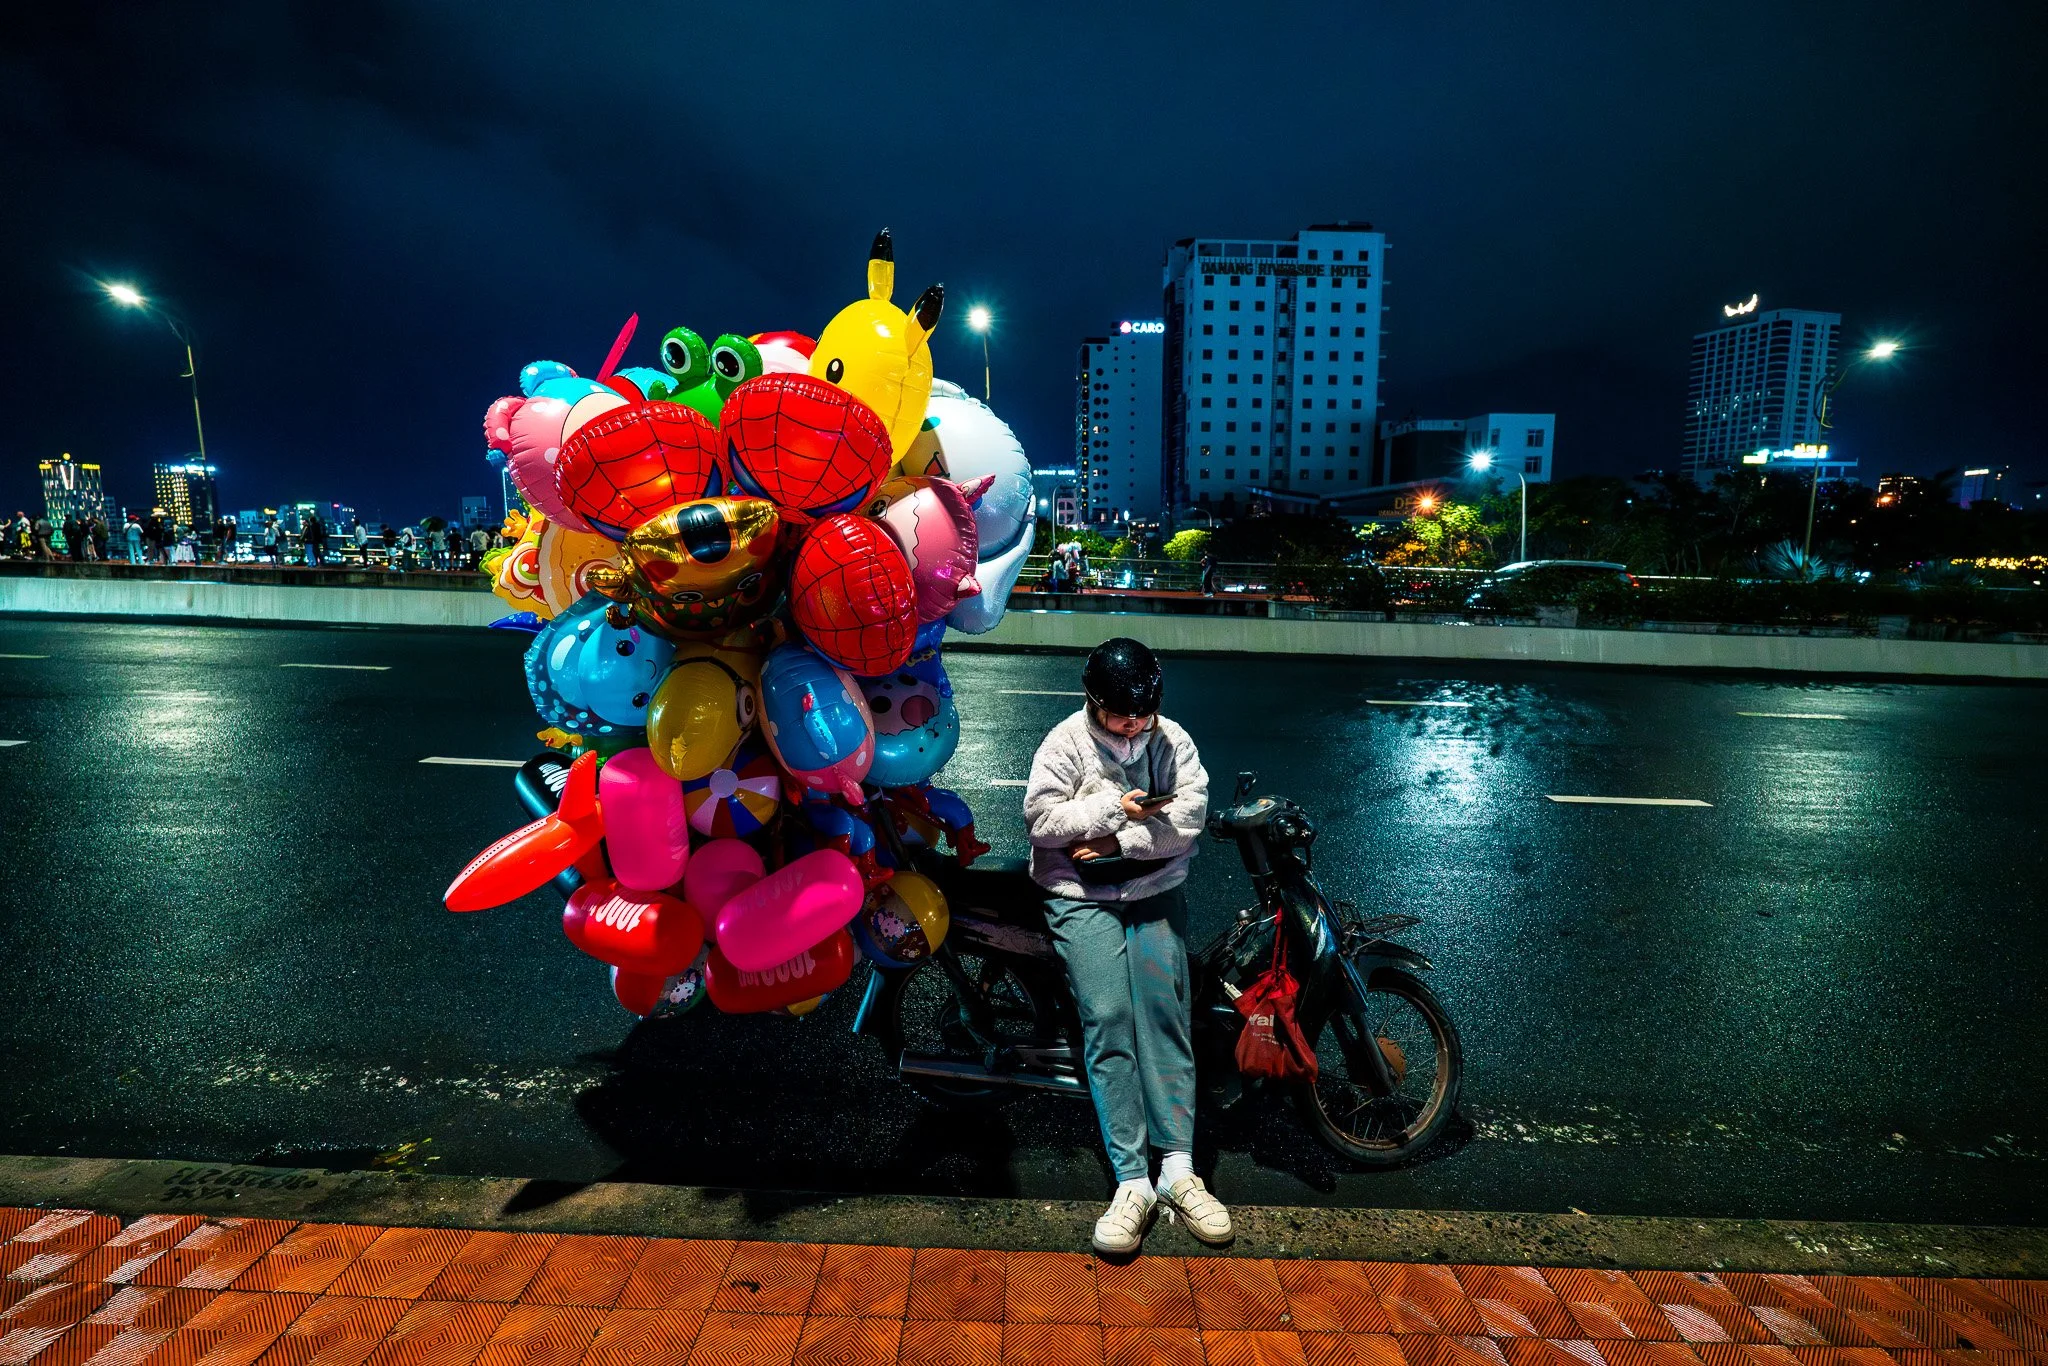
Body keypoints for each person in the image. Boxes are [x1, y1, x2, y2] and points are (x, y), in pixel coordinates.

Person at [1022, 637, 1231, 1257]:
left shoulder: (1172, 741)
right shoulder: (1065, 742)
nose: (1133, 725)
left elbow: (1189, 815)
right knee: (1109, 1017)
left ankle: (1179, 1170)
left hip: (1152, 889)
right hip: (1078, 894)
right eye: (1119, 714)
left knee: (1165, 1018)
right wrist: (1113, 806)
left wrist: (1121, 843)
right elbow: (1041, 821)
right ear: (1094, 703)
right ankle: (1132, 1181)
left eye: (1142, 713)